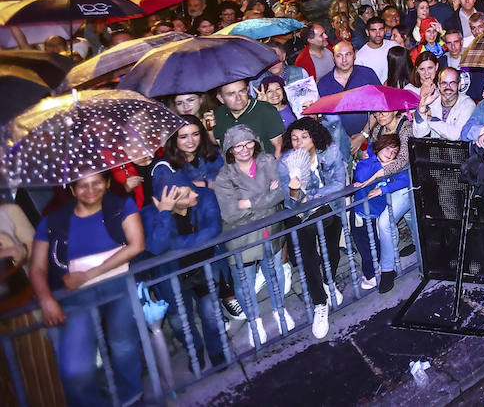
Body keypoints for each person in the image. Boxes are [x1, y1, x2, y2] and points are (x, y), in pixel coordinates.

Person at [29, 173, 146, 407]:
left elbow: (137, 245)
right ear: (72, 190)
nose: (90, 189)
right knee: (76, 368)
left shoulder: (121, 205)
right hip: (75, 297)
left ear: (108, 183)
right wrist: (46, 300)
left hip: (118, 286)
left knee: (124, 348)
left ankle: (131, 399)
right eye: (82, 185)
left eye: (97, 182)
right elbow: (37, 268)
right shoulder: (53, 220)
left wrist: (89, 275)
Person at [214, 124, 292, 342]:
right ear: (229, 150)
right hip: (242, 239)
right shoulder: (223, 177)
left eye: (248, 143)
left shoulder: (267, 161)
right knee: (244, 283)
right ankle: (254, 321)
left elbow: (280, 193)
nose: (244, 149)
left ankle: (279, 310)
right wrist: (266, 199)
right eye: (237, 146)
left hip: (270, 231)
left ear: (255, 142)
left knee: (274, 272)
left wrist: (247, 203)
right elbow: (230, 214)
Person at [141, 174, 227, 369]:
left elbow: (213, 229)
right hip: (172, 276)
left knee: (211, 313)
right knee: (180, 321)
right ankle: (194, 350)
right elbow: (155, 247)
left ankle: (216, 350)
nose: (195, 193)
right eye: (187, 193)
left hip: (204, 267)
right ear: (170, 201)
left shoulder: (205, 196)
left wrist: (173, 246)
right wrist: (164, 214)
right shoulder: (149, 214)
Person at [278, 117, 348, 339]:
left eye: (304, 137)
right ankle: (320, 303)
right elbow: (290, 203)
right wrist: (294, 191)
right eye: (294, 138)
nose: (298, 143)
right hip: (300, 216)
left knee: (332, 251)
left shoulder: (330, 151)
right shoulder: (285, 162)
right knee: (308, 258)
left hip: (329, 207)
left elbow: (338, 183)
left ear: (315, 137)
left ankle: (329, 281)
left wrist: (312, 196)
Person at [350, 134, 410, 294]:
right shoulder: (368, 163)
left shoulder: (394, 167)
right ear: (379, 148)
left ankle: (379, 271)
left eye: (395, 152)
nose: (391, 154)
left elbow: (405, 179)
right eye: (387, 148)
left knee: (378, 242)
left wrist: (383, 189)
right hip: (361, 214)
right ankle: (370, 274)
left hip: (377, 213)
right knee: (365, 246)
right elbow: (361, 177)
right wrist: (381, 167)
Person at [315, 40, 381, 154]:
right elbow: (322, 119)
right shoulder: (323, 84)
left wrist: (363, 135)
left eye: (348, 54)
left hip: (369, 139)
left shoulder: (367, 74)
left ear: (354, 55)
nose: (344, 60)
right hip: (337, 143)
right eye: (339, 56)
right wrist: (343, 139)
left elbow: (380, 107)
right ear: (333, 58)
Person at [210, 78, 286, 156]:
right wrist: (209, 129)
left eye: (242, 91)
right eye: (231, 94)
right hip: (232, 165)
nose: (238, 98)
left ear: (247, 90)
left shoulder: (266, 110)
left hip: (264, 165)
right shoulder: (219, 113)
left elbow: (278, 148)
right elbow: (219, 143)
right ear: (220, 98)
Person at [413, 67, 477, 141]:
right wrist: (421, 110)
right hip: (434, 151)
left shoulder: (468, 104)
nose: (448, 87)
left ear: (459, 85)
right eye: (444, 83)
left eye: (452, 83)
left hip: (457, 151)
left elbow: (455, 135)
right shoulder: (432, 100)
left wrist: (430, 119)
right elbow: (419, 134)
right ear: (439, 85)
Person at [354, 17, 400, 83]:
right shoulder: (360, 57)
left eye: (380, 30)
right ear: (367, 32)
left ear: (385, 30)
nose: (378, 34)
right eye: (373, 30)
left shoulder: (394, 46)